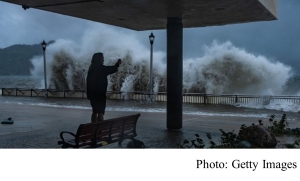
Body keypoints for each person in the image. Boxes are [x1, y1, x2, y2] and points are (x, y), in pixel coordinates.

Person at [86, 52, 122, 123]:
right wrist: (117, 64)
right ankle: (99, 129)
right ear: (98, 59)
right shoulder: (100, 68)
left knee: (94, 111)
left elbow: (88, 81)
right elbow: (110, 69)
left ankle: (93, 127)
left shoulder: (91, 68)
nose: (103, 60)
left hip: (92, 94)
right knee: (100, 112)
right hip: (100, 94)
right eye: (102, 58)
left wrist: (89, 94)